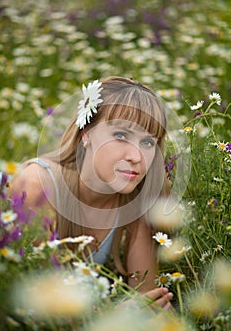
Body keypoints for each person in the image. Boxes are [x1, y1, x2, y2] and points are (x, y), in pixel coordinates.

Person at [10, 76, 173, 310]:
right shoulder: (36, 187)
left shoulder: (135, 199)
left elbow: (148, 297)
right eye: (121, 135)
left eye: (147, 142)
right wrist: (112, 315)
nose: (136, 157)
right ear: (86, 133)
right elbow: (33, 299)